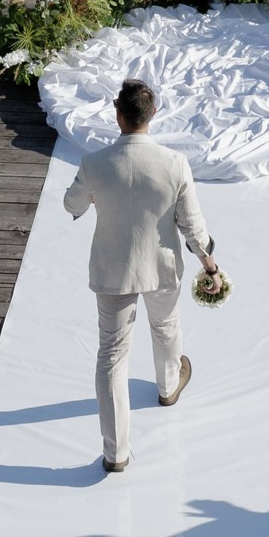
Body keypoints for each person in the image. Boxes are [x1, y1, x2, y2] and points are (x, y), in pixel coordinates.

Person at [64, 77, 220, 476]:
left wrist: (93, 198)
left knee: (112, 356)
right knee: (166, 327)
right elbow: (193, 227)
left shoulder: (94, 163)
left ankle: (116, 453)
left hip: (113, 270)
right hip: (161, 267)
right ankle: (168, 387)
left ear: (118, 115)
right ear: (153, 116)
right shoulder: (174, 164)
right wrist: (210, 266)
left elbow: (72, 204)